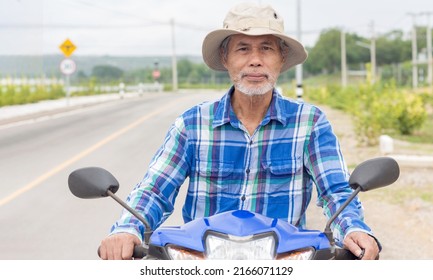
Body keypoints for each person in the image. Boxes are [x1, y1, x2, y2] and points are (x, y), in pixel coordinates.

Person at [99, 2, 380, 260]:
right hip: (201, 262)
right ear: (226, 58)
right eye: (243, 49)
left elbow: (336, 192)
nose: (255, 60)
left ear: (281, 59)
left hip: (285, 262)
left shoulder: (310, 123)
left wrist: (353, 228)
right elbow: (155, 190)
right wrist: (127, 229)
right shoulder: (192, 124)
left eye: (267, 49)